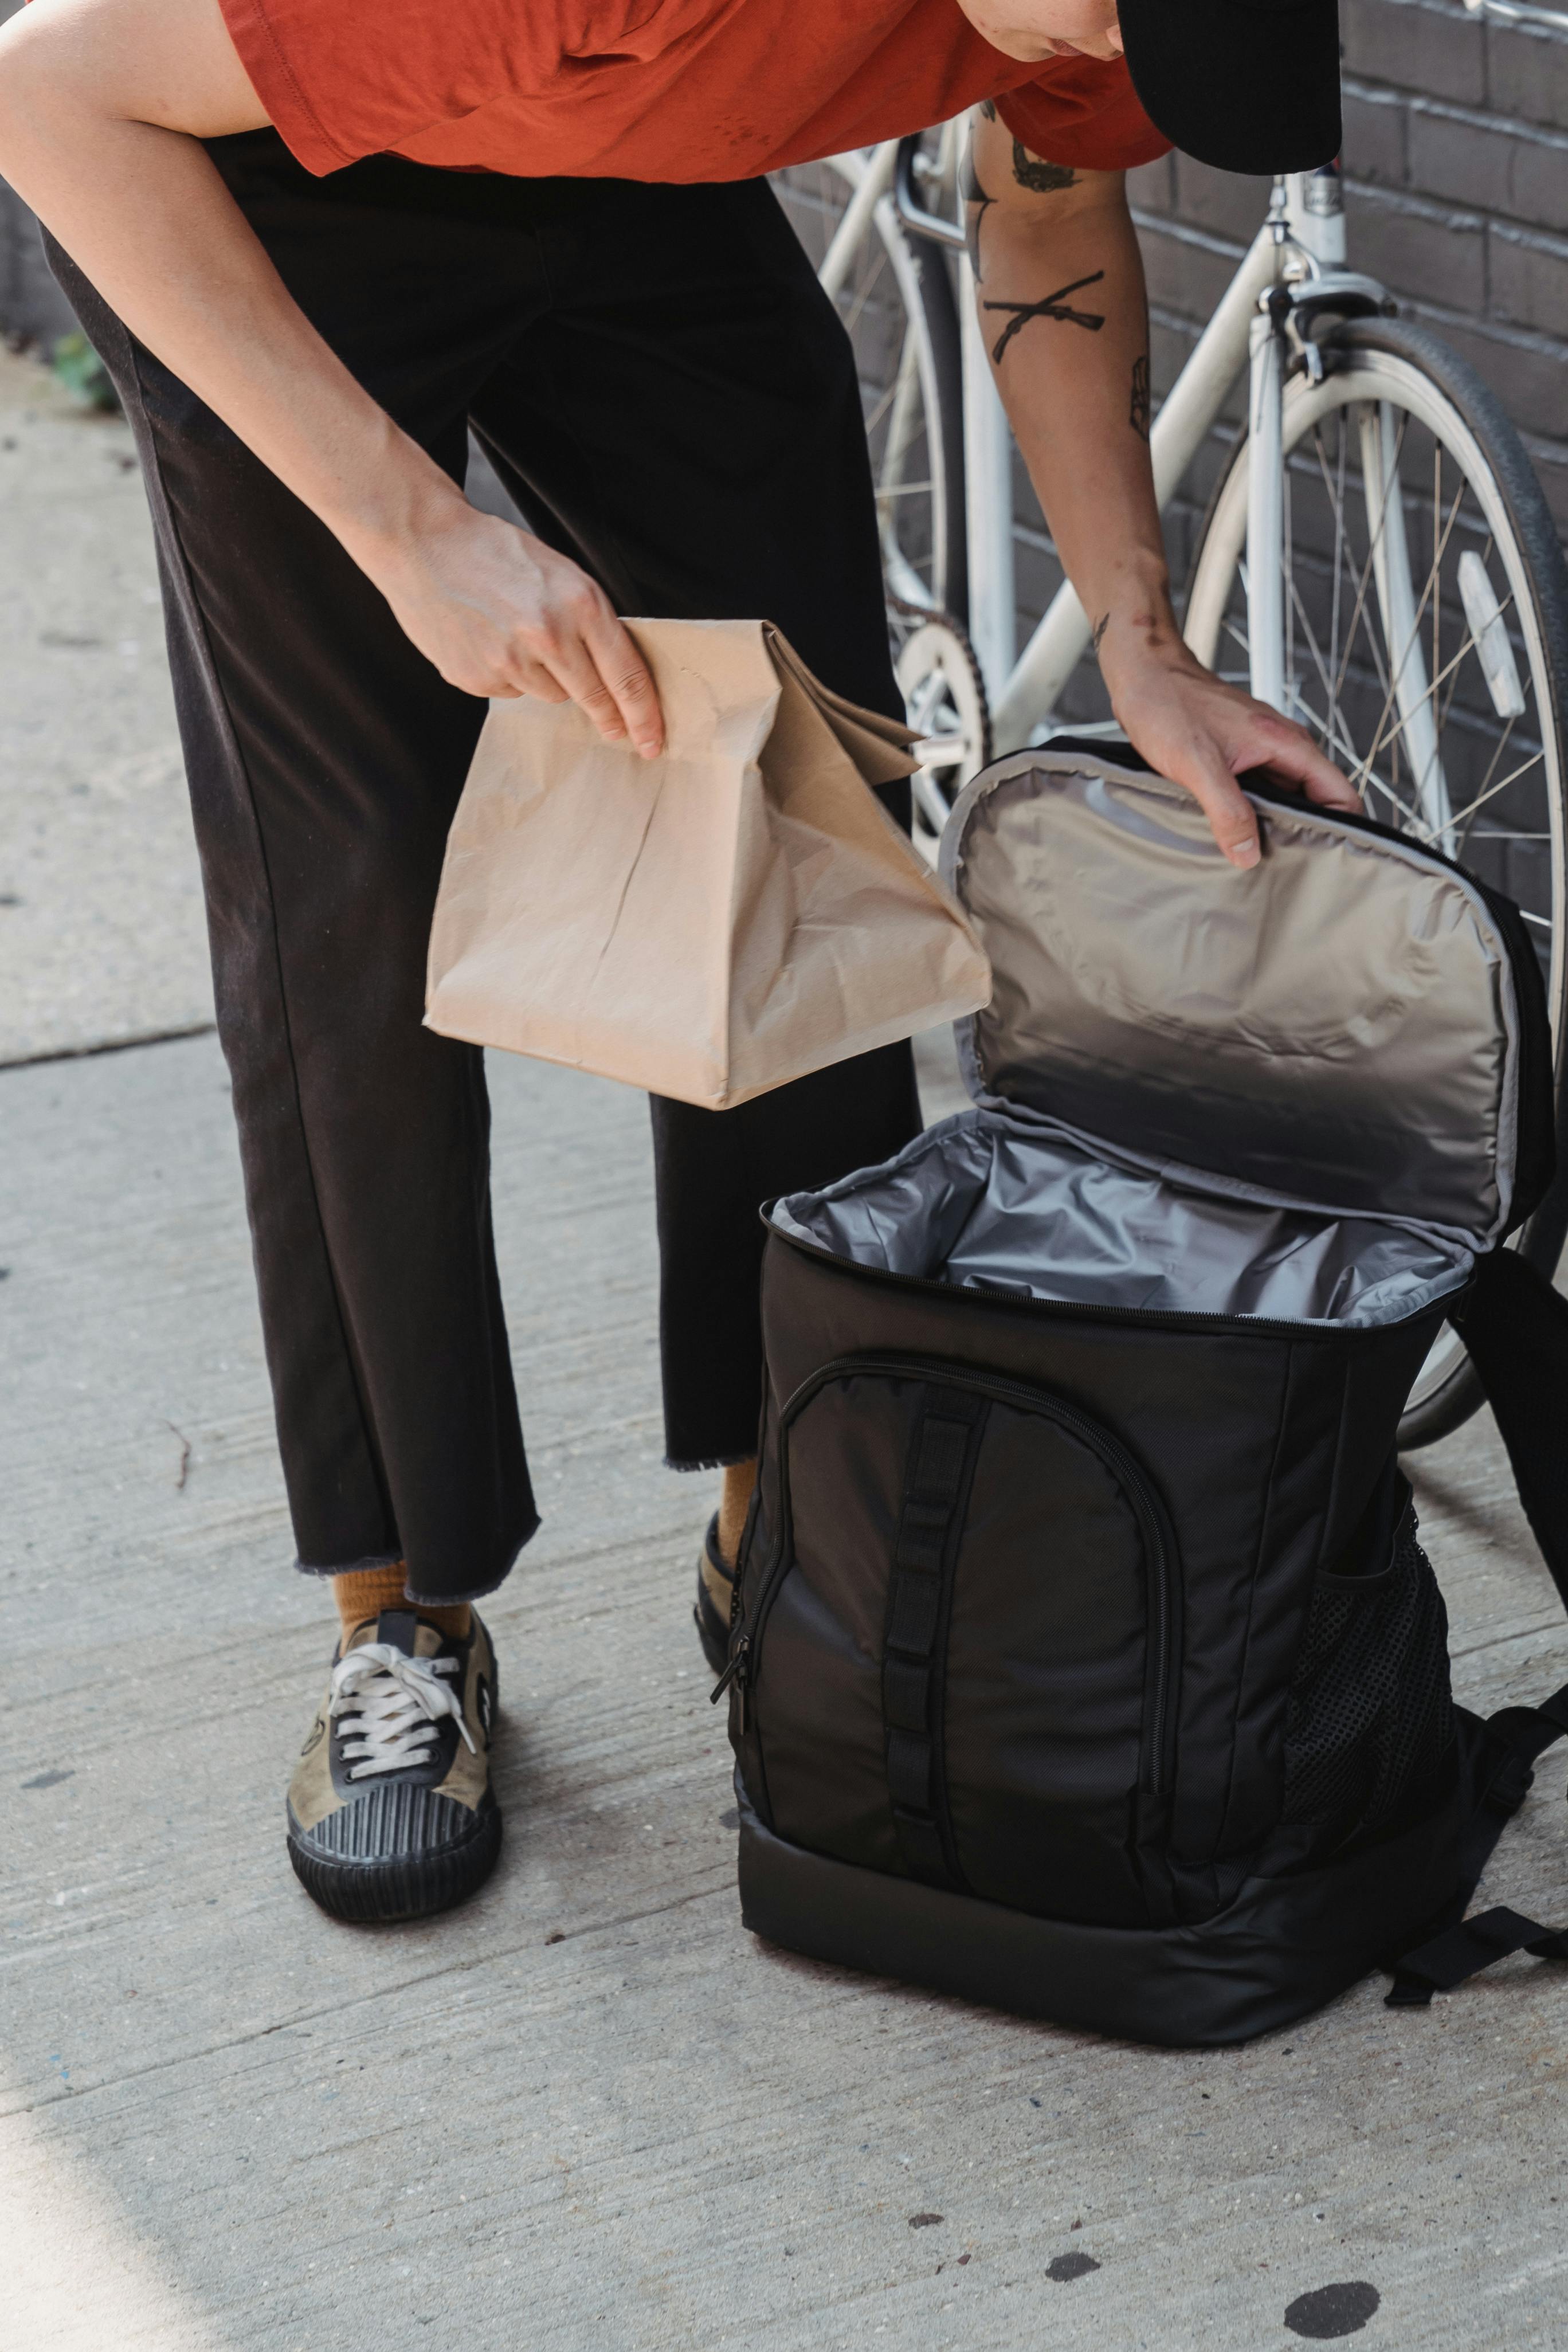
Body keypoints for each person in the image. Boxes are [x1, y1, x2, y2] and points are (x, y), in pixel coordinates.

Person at [0, 0, 1357, 1923]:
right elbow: (46, 92)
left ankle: (792, 1501)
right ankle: (405, 1615)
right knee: (362, 881)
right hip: (252, 181)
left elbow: (1052, 219)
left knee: (796, 800)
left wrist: (1140, 641)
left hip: (635, 170)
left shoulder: (1105, 13)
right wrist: (417, 536)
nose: (1091, 49)